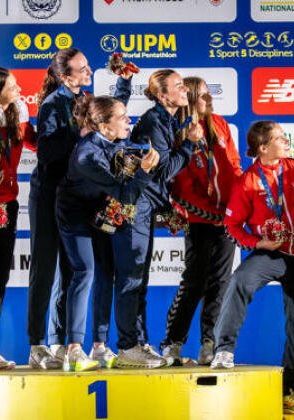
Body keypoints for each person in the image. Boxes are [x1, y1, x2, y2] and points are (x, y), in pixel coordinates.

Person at [28, 48, 131, 370]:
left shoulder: (82, 97)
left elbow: (106, 117)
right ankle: (37, 345)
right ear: (64, 76)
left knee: (74, 272)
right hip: (49, 194)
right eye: (81, 68)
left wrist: (123, 84)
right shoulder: (51, 104)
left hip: (77, 195)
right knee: (44, 271)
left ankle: (61, 343)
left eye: (88, 66)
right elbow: (47, 152)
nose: (88, 72)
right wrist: (81, 137)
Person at [211, 120, 294, 416]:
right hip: (270, 254)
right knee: (239, 281)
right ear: (262, 147)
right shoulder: (248, 181)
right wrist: (257, 243)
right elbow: (232, 225)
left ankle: (288, 391)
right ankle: (224, 350)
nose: (287, 142)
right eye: (280, 138)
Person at [56, 95, 159, 371]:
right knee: (84, 272)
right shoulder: (87, 154)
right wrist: (145, 170)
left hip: (98, 213)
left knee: (105, 275)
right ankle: (74, 349)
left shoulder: (115, 141)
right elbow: (126, 194)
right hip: (75, 214)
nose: (130, 121)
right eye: (122, 117)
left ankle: (99, 347)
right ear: (103, 124)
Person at [112, 69, 203, 368]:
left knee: (140, 280)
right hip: (135, 206)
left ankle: (140, 343)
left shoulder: (169, 119)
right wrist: (189, 144)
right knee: (132, 279)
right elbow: (162, 170)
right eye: (178, 86)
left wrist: (167, 207)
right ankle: (127, 347)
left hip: (147, 207)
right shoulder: (154, 121)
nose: (184, 91)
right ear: (162, 95)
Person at [159, 76, 242, 366]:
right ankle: (172, 343)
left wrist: (234, 208)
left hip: (226, 219)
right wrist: (206, 213)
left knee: (220, 283)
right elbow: (178, 185)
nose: (210, 99)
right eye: (204, 95)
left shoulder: (219, 124)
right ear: (192, 98)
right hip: (199, 218)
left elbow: (233, 164)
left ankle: (210, 342)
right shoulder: (178, 131)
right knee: (193, 282)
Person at [0, 67, 36, 369]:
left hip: (8, 204)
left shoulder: (17, 115)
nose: (18, 90)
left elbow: (34, 142)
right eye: (13, 86)